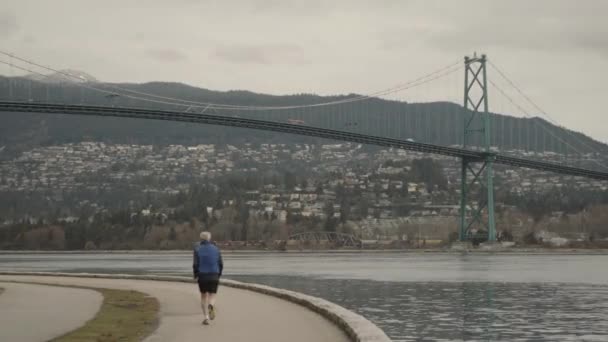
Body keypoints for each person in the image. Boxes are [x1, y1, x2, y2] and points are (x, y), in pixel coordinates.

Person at [193, 231, 223, 325]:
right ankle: (211, 305)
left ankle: (206, 317)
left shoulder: (197, 249)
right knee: (212, 295)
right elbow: (220, 263)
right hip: (214, 274)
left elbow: (195, 264)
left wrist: (195, 275)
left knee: (203, 296)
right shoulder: (216, 249)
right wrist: (218, 274)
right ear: (209, 238)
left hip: (202, 275)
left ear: (201, 239)